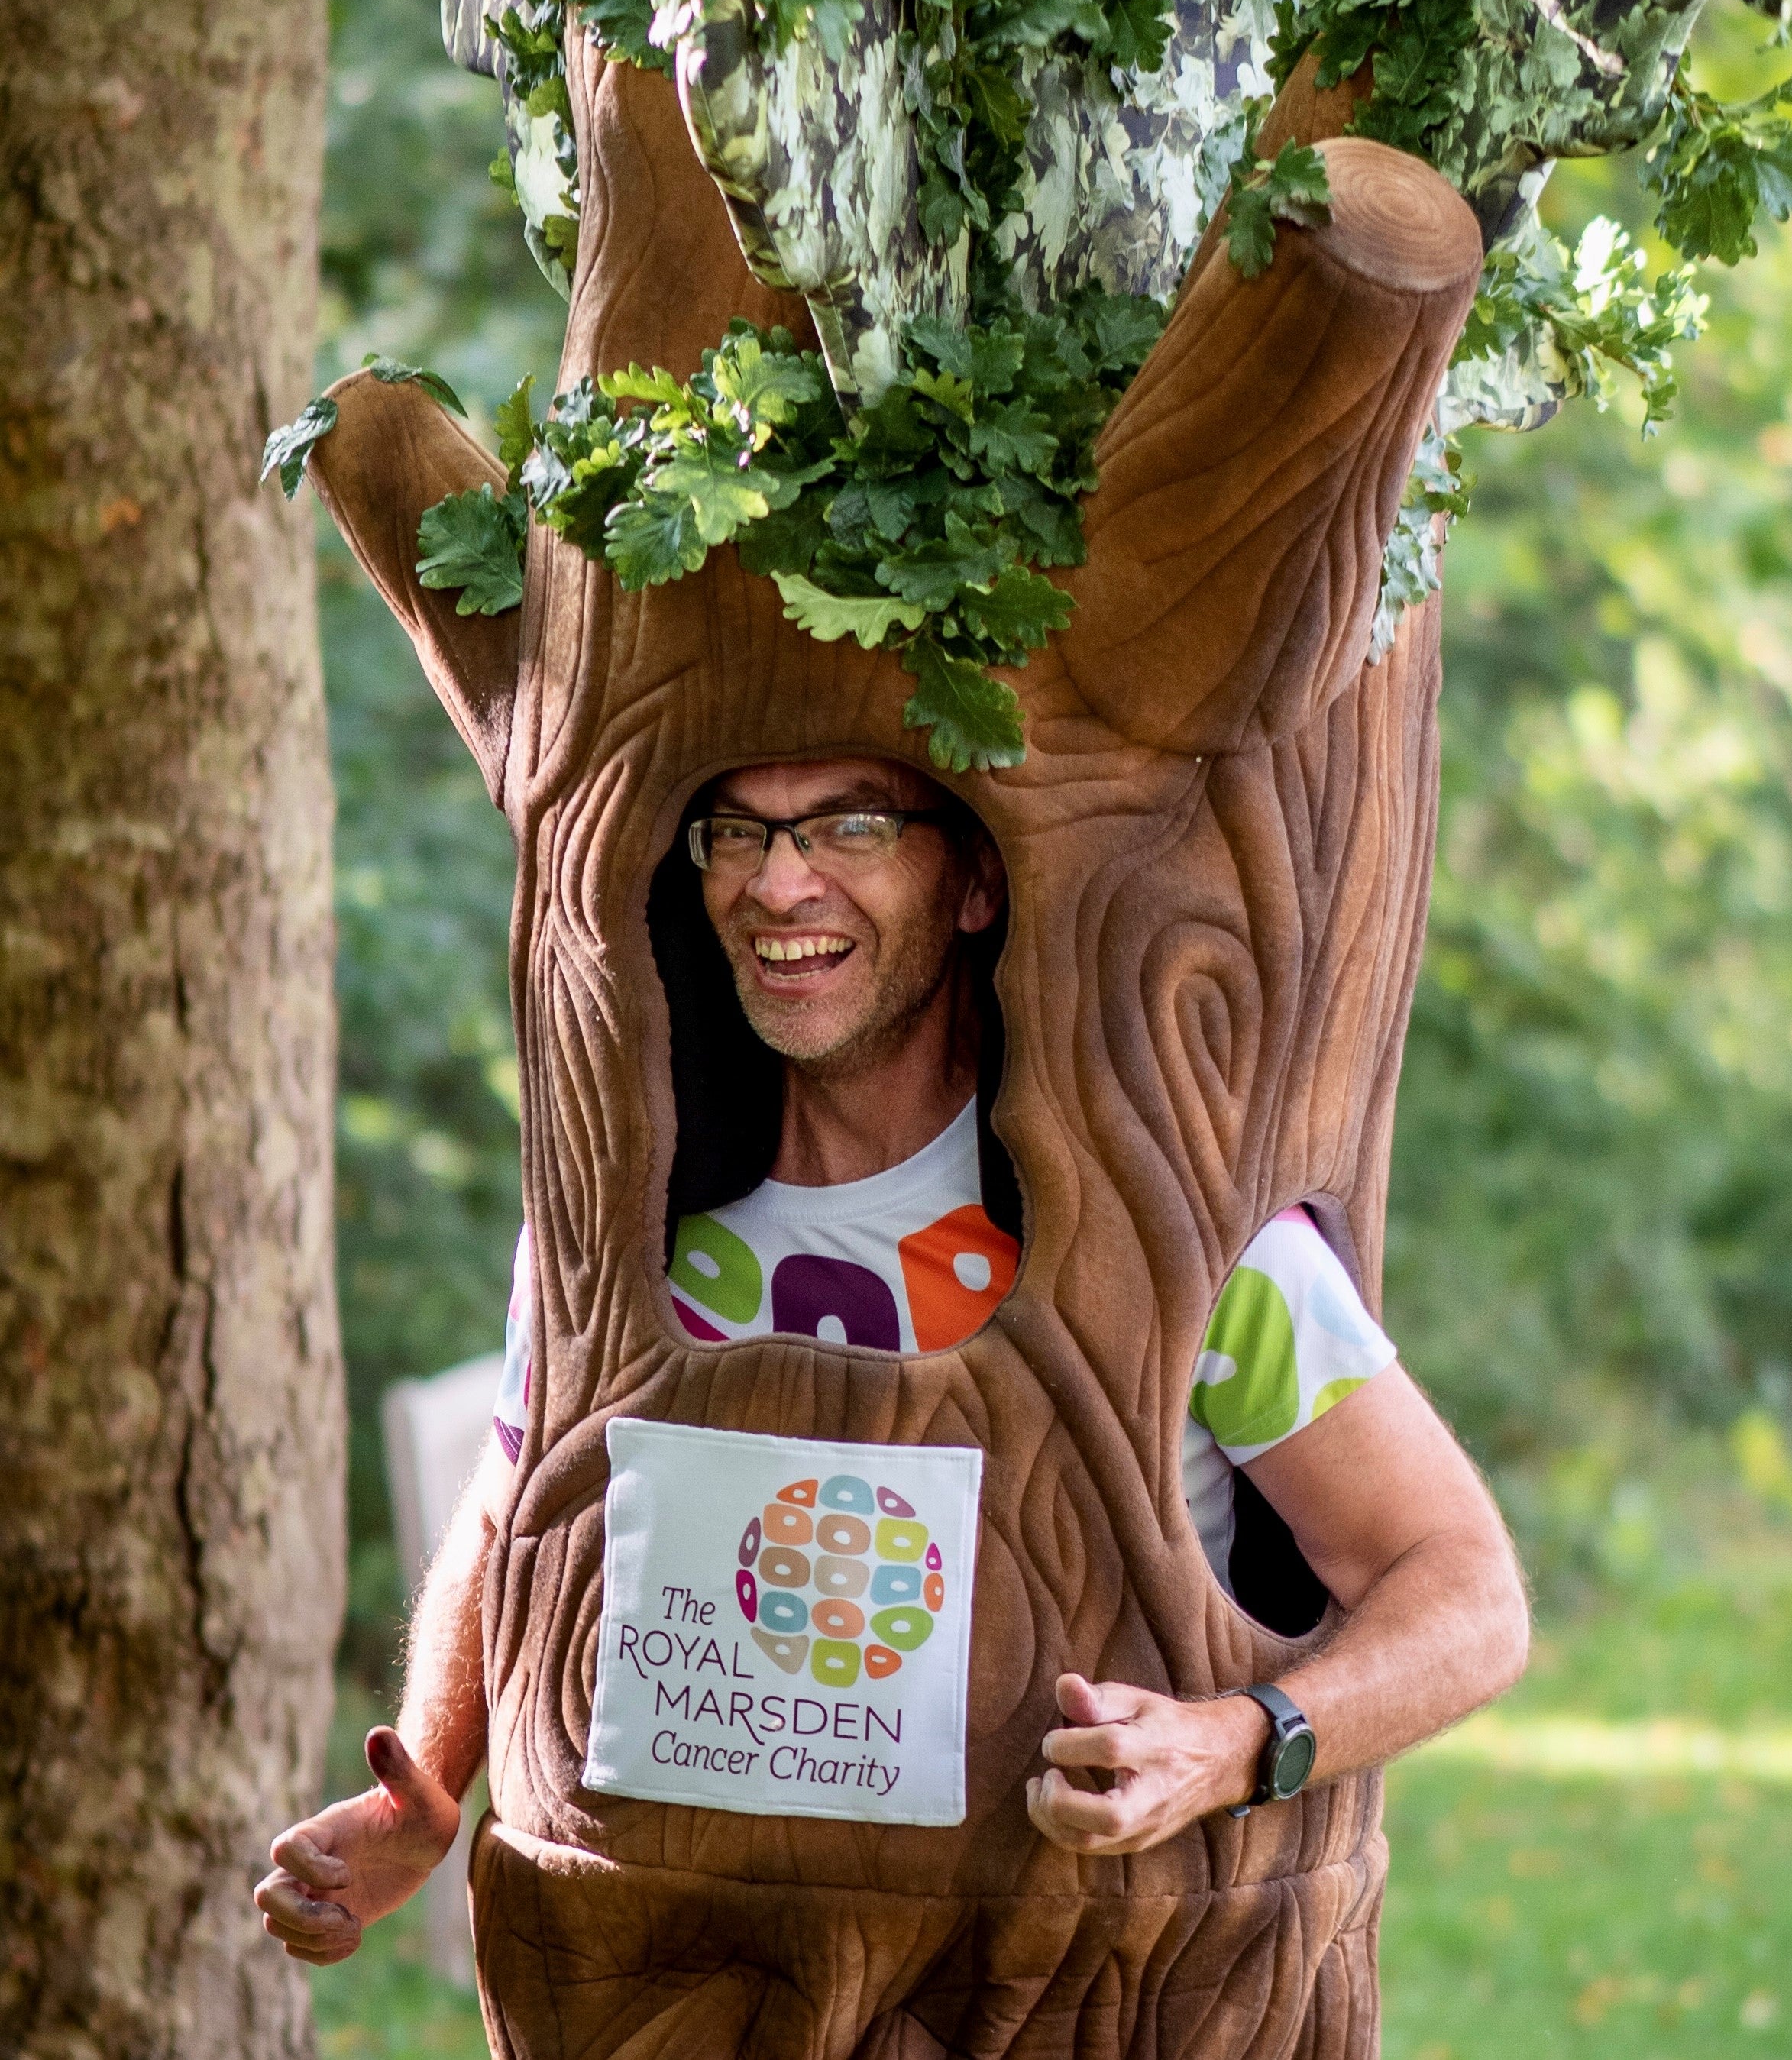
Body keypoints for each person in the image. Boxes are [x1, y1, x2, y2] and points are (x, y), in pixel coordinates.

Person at [256, 753, 1528, 1965]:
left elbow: (1463, 1590)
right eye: (739, 831)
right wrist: (427, 1787)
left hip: (1050, 1982)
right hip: (685, 1979)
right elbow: (515, 1503)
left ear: (976, 883)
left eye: (850, 826)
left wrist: (1237, 1743)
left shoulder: (1165, 1237)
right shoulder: (621, 1217)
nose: (777, 882)